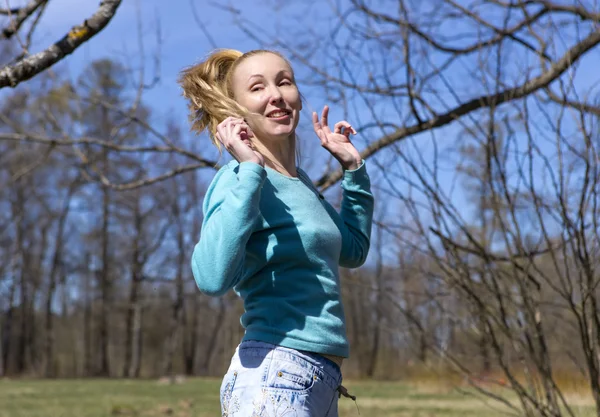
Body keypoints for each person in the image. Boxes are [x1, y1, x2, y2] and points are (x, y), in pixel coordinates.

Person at [178, 48, 374, 416]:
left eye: (284, 82)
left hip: (320, 378)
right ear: (237, 108)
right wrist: (250, 169)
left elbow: (353, 250)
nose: (276, 95)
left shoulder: (299, 183)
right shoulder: (238, 179)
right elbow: (210, 277)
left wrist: (354, 171)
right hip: (273, 376)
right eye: (258, 87)